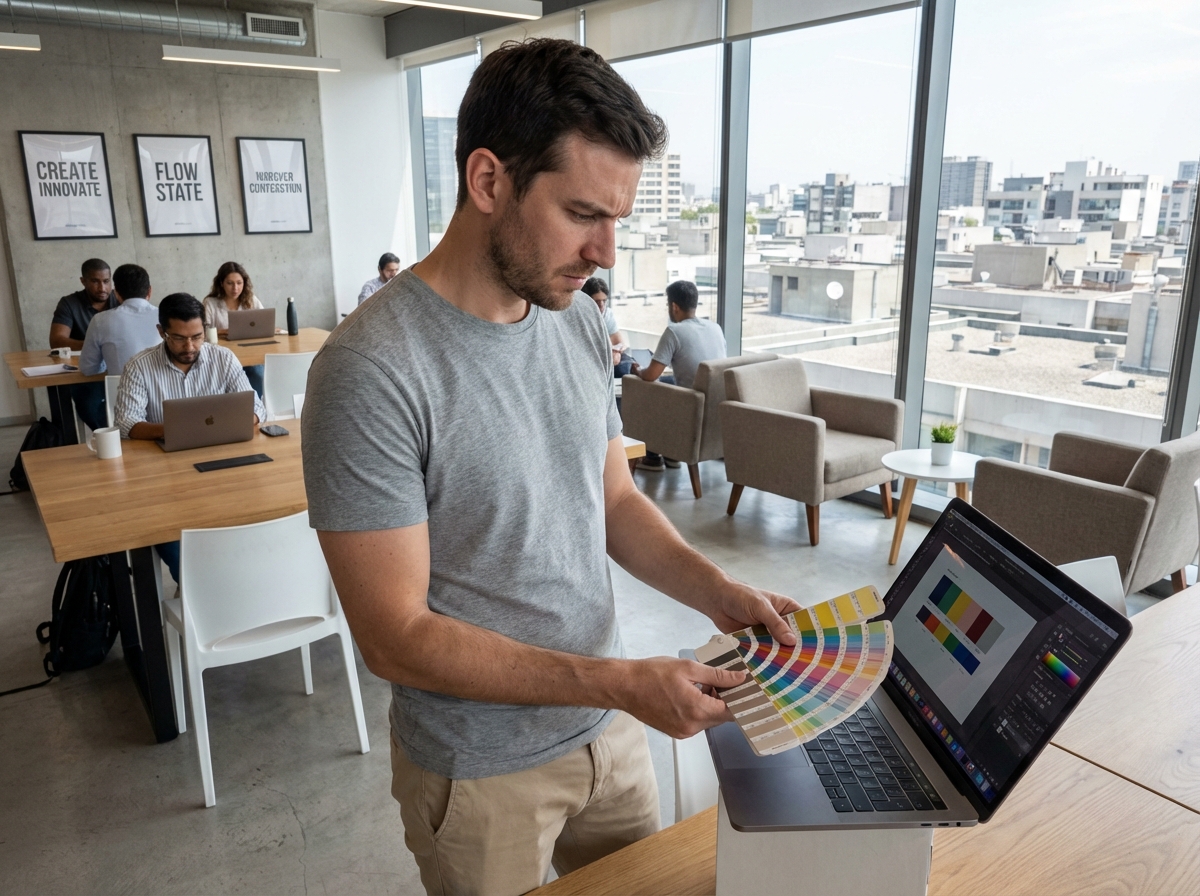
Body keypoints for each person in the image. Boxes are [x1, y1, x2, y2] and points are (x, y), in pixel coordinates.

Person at [302, 39, 798, 896]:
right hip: (480, 772)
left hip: (610, 732)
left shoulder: (571, 321)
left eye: (619, 220)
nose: (606, 250)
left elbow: (612, 501)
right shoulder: (370, 369)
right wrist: (623, 681)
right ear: (488, 181)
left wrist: (719, 593)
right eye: (581, 214)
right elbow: (394, 636)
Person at [115, 292, 265, 582]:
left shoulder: (223, 357)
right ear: (161, 332)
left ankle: (230, 583)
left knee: (251, 529)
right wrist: (181, 427)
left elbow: (257, 409)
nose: (190, 346)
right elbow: (126, 424)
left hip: (222, 472)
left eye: (197, 337)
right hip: (164, 478)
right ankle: (199, 586)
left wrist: (238, 420)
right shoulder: (139, 366)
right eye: (179, 338)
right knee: (175, 545)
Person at [630, 280, 727, 471]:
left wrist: (637, 370)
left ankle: (652, 456)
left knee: (642, 388)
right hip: (715, 403)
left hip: (690, 406)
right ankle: (672, 454)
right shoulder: (715, 327)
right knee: (667, 382)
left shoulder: (674, 331)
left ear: (674, 306)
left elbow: (650, 375)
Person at [50, 258, 116, 431]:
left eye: (106, 281)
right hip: (87, 372)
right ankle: (109, 438)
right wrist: (94, 346)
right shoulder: (69, 303)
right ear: (83, 281)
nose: (102, 288)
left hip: (118, 369)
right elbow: (57, 340)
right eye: (95, 281)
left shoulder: (121, 299)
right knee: (91, 407)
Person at [79, 263, 160, 377]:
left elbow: (88, 369)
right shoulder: (167, 317)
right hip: (165, 393)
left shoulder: (100, 320)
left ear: (115, 292)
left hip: (121, 393)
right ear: (149, 291)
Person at [203, 261, 265, 398]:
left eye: (239, 283)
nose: (235, 288)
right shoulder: (210, 303)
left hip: (249, 354)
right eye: (230, 283)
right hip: (221, 356)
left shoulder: (251, 300)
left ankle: (254, 407)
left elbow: (263, 322)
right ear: (221, 283)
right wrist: (224, 331)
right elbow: (202, 332)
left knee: (257, 372)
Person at [581, 276, 630, 377]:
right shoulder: (579, 316)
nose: (602, 306)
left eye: (604, 300)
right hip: (589, 360)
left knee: (625, 364)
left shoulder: (607, 313)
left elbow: (618, 342)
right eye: (597, 302)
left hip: (606, 357)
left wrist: (617, 354)